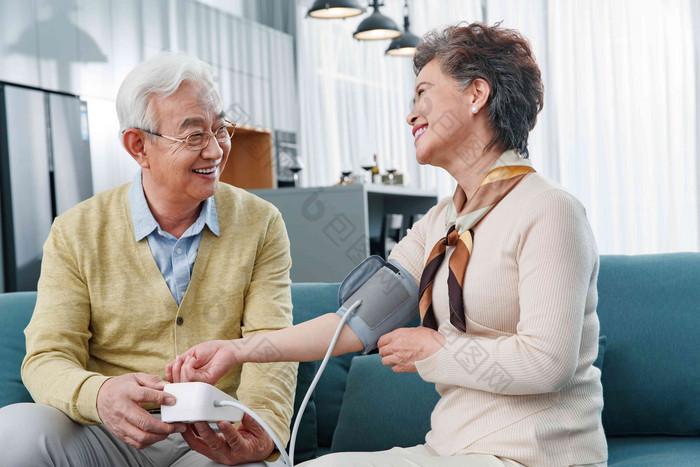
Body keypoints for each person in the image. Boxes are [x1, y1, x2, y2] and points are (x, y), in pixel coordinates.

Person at [167, 23, 608, 467]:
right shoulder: (441, 223)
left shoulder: (549, 210)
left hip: (537, 457)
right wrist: (236, 350)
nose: (411, 114)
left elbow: (548, 363)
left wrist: (436, 351)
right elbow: (353, 324)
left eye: (423, 93)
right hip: (452, 452)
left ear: (476, 95)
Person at [0, 53, 298, 466]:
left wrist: (261, 431)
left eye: (220, 129)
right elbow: (47, 357)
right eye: (194, 136)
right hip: (109, 435)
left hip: (218, 435)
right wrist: (100, 395)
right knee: (12, 433)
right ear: (139, 146)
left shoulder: (260, 222)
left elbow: (271, 343)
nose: (215, 150)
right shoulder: (75, 231)